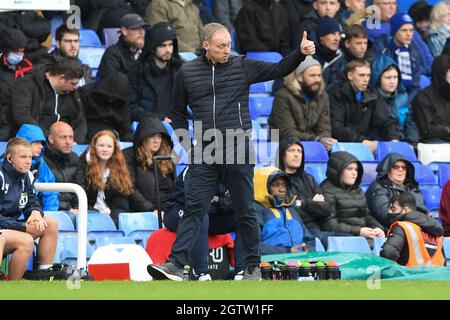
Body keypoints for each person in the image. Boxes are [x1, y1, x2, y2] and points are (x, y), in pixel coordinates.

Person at [147, 22, 316, 281]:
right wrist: (187, 146)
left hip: (238, 149)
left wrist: (300, 54)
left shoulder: (242, 66)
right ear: (206, 46)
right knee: (194, 208)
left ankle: (251, 266)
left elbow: (279, 68)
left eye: (229, 45)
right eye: (221, 46)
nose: (228, 50)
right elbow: (178, 114)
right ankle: (175, 265)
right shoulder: (187, 73)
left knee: (245, 209)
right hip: (204, 153)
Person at [163, 166, 239, 280]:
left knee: (244, 217)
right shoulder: (196, 168)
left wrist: (218, 201)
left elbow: (236, 203)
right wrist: (221, 202)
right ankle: (201, 273)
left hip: (210, 213)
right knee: (199, 215)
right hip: (177, 209)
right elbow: (195, 202)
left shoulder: (235, 172)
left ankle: (244, 270)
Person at [0, 138, 58, 280]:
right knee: (25, 240)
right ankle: (13, 284)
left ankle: (44, 275)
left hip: (9, 228)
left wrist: (35, 213)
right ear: (9, 158)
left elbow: (31, 200)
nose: (28, 161)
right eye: (23, 157)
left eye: (30, 157)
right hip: (5, 228)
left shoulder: (26, 175)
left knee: (50, 224)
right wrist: (22, 226)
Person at [276, 138, 350, 248]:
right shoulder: (277, 180)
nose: (296, 155)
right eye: (291, 151)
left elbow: (326, 209)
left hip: (314, 228)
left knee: (350, 239)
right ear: (282, 155)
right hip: (294, 230)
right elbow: (291, 209)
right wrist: (313, 203)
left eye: (299, 151)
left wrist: (304, 203)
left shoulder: (308, 178)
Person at [328, 59, 401, 154]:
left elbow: (385, 121)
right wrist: (360, 140)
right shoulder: (336, 93)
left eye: (368, 75)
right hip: (343, 146)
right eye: (362, 75)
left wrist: (394, 138)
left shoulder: (371, 93)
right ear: (350, 76)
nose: (366, 79)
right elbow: (337, 127)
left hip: (364, 145)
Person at [11, 57, 87, 143]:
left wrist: (74, 141)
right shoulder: (28, 84)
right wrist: (50, 138)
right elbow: (22, 116)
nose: (75, 87)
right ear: (61, 78)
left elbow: (80, 120)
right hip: (35, 141)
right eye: (73, 83)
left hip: (66, 144)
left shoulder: (71, 92)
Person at [269, 56, 337, 151]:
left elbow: (324, 128)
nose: (317, 80)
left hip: (312, 145)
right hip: (283, 146)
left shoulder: (323, 96)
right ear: (299, 77)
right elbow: (287, 132)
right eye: (312, 75)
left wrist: (325, 140)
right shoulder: (283, 96)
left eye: (319, 75)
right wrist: (316, 139)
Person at [320, 151, 385, 240]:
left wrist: (377, 228)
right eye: (349, 169)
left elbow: (367, 215)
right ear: (338, 170)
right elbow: (329, 225)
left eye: (356, 169)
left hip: (363, 236)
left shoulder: (357, 190)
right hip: (344, 240)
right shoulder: (326, 191)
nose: (354, 173)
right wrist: (358, 231)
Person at [253, 166, 316, 254]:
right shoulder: (255, 211)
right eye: (275, 185)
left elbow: (309, 239)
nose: (282, 189)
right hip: (270, 264)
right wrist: (287, 251)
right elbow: (252, 246)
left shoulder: (290, 210)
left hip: (299, 262)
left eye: (284, 185)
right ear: (262, 188)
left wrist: (308, 249)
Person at [128, 22, 183, 122]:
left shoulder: (179, 69)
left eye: (170, 45)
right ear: (152, 48)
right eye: (163, 46)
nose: (168, 50)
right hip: (149, 128)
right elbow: (131, 108)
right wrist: (159, 119)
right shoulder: (137, 71)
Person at [79, 130, 133, 227]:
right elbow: (80, 198)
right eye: (101, 145)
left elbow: (121, 201)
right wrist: (98, 214)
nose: (105, 149)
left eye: (109, 146)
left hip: (111, 217)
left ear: (114, 149)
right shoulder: (83, 166)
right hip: (89, 216)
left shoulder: (119, 169)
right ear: (94, 147)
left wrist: (114, 218)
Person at [371, 12, 428, 101]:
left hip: (407, 99)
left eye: (411, 30)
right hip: (385, 99)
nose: (409, 34)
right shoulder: (382, 47)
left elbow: (415, 86)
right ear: (394, 31)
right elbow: (376, 80)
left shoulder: (414, 50)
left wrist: (406, 103)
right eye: (404, 30)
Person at [123, 117, 174, 213]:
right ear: (143, 137)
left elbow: (175, 188)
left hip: (167, 210)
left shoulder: (167, 156)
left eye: (159, 136)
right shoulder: (129, 155)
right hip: (144, 212)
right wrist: (151, 210)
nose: (156, 140)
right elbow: (129, 188)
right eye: (152, 136)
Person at [381, 193, 445, 267]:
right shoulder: (437, 231)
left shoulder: (401, 227)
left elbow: (388, 252)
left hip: (410, 276)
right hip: (438, 276)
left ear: (405, 210)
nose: (389, 212)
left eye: (393, 209)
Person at [366, 153, 428, 227]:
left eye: (404, 167)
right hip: (388, 231)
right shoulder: (378, 187)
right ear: (388, 169)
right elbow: (386, 215)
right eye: (396, 167)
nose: (401, 170)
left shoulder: (411, 186)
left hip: (414, 228)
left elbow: (423, 210)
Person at [369, 55, 419, 144]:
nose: (392, 82)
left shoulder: (403, 97)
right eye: (388, 78)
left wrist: (411, 143)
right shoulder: (371, 99)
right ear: (378, 79)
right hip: (380, 144)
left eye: (395, 77)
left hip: (402, 142)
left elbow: (410, 124)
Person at [79, 71, 133, 142]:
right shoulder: (85, 93)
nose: (111, 100)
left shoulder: (123, 100)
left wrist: (128, 144)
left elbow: (126, 128)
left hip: (110, 132)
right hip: (86, 129)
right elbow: (79, 120)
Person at [43, 121, 83, 216]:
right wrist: (67, 208)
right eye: (63, 137)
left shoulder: (75, 158)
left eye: (71, 137)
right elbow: (43, 194)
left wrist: (78, 208)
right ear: (51, 139)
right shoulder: (41, 160)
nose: (68, 142)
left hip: (73, 210)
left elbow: (81, 186)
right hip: (52, 211)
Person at [16, 124, 59, 212]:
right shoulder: (6, 163)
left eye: (42, 143)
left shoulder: (40, 162)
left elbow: (51, 192)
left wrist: (49, 214)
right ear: (24, 143)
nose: (41, 146)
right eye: (37, 142)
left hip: (34, 213)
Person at [0, 27, 32, 141]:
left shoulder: (27, 68)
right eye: (16, 51)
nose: (19, 55)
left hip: (20, 123)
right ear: (6, 50)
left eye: (22, 51)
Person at [411, 54, 450, 143]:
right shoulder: (423, 97)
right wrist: (447, 130)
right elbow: (426, 130)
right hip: (434, 145)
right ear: (441, 73)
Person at [98, 13, 147, 79]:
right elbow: (110, 83)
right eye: (136, 28)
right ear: (124, 31)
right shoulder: (112, 54)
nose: (142, 32)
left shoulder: (145, 54)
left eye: (143, 29)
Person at [313, 16, 345, 90]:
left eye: (339, 34)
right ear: (321, 37)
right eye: (333, 34)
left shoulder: (340, 56)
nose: (337, 38)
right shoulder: (307, 55)